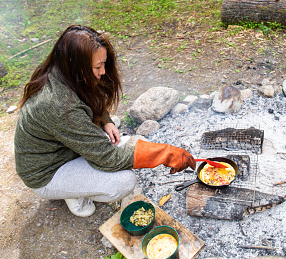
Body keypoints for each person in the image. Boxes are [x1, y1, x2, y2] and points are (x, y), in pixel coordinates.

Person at [14, 25, 196, 217]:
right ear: (77, 66)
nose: (103, 72)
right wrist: (164, 154)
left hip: (64, 147)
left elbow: (89, 97)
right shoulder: (59, 105)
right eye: (97, 67)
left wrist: (105, 119)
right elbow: (107, 159)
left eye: (104, 64)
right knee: (123, 181)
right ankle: (74, 193)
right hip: (47, 172)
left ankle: (78, 183)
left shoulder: (65, 71)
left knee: (118, 143)